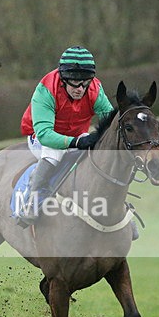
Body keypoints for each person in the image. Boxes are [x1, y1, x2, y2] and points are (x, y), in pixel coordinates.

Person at [18, 45, 114, 225]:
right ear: (63, 79)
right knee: (54, 153)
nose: (80, 88)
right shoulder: (46, 90)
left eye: (85, 82)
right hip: (41, 137)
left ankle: (118, 209)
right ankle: (31, 201)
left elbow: (110, 122)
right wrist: (76, 142)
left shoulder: (94, 89)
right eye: (74, 82)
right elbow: (45, 135)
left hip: (78, 135)